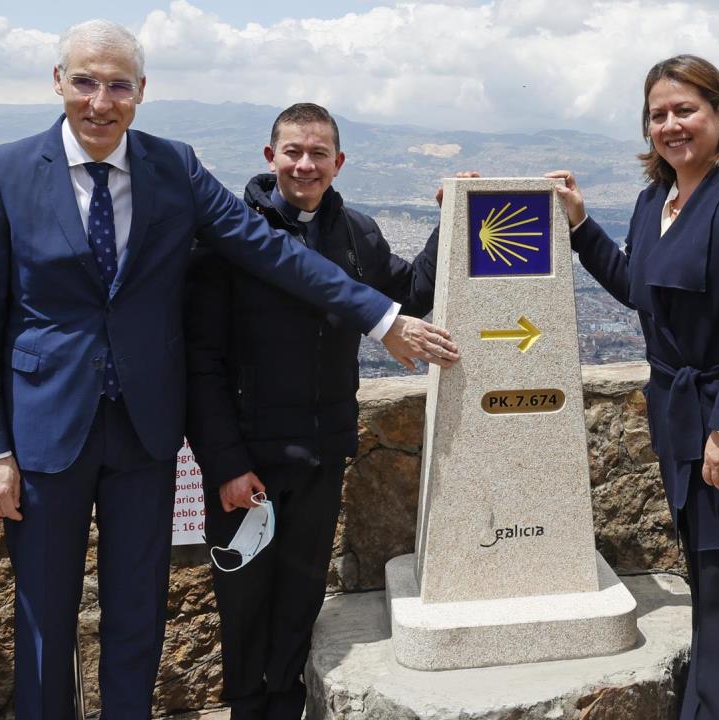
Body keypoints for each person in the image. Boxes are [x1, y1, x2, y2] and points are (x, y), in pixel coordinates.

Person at [0, 21, 459, 720]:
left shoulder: (175, 167)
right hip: (42, 433)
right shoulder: (1, 170)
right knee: (45, 621)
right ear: (58, 82)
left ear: (142, 92)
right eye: (85, 82)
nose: (101, 101)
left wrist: (382, 317)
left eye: (119, 85)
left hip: (144, 433)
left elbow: (269, 249)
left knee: (138, 614)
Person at [185, 102, 445, 718]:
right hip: (248, 462)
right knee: (244, 606)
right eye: (293, 152)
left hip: (322, 454)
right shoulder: (229, 237)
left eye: (318, 153)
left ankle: (287, 708)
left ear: (339, 162)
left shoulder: (357, 231)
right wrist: (225, 463)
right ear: (270, 156)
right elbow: (201, 362)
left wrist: (449, 221)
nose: (305, 165)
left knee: (301, 598)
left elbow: (408, 294)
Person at [548, 53, 719, 720]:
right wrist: (583, 228)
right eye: (659, 114)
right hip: (676, 416)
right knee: (706, 584)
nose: (672, 124)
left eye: (686, 109)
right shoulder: (656, 201)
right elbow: (638, 291)